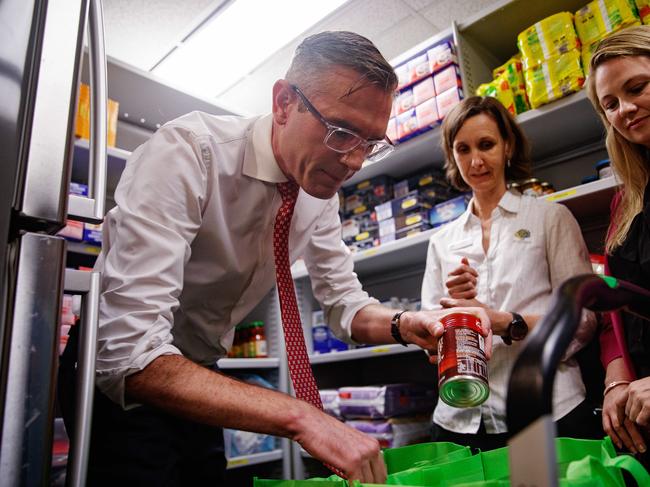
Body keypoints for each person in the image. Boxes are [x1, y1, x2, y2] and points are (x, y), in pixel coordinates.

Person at [59, 31, 493, 485]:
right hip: (119, 375)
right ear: (285, 103)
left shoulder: (319, 192)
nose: (354, 162)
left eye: (371, 143)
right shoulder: (189, 152)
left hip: (200, 373)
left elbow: (344, 305)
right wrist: (302, 417)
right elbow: (129, 353)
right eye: (342, 133)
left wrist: (406, 324)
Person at [420, 96, 601, 451]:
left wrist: (502, 321)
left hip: (547, 408)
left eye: (486, 144)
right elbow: (427, 339)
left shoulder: (550, 219)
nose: (475, 160)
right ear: (452, 156)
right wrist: (452, 315)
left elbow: (583, 320)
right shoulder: (441, 241)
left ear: (508, 146)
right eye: (463, 149)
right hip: (460, 419)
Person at [586, 24, 650, 462]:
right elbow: (618, 311)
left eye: (638, 87)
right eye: (610, 104)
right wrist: (617, 377)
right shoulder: (626, 202)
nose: (625, 108)